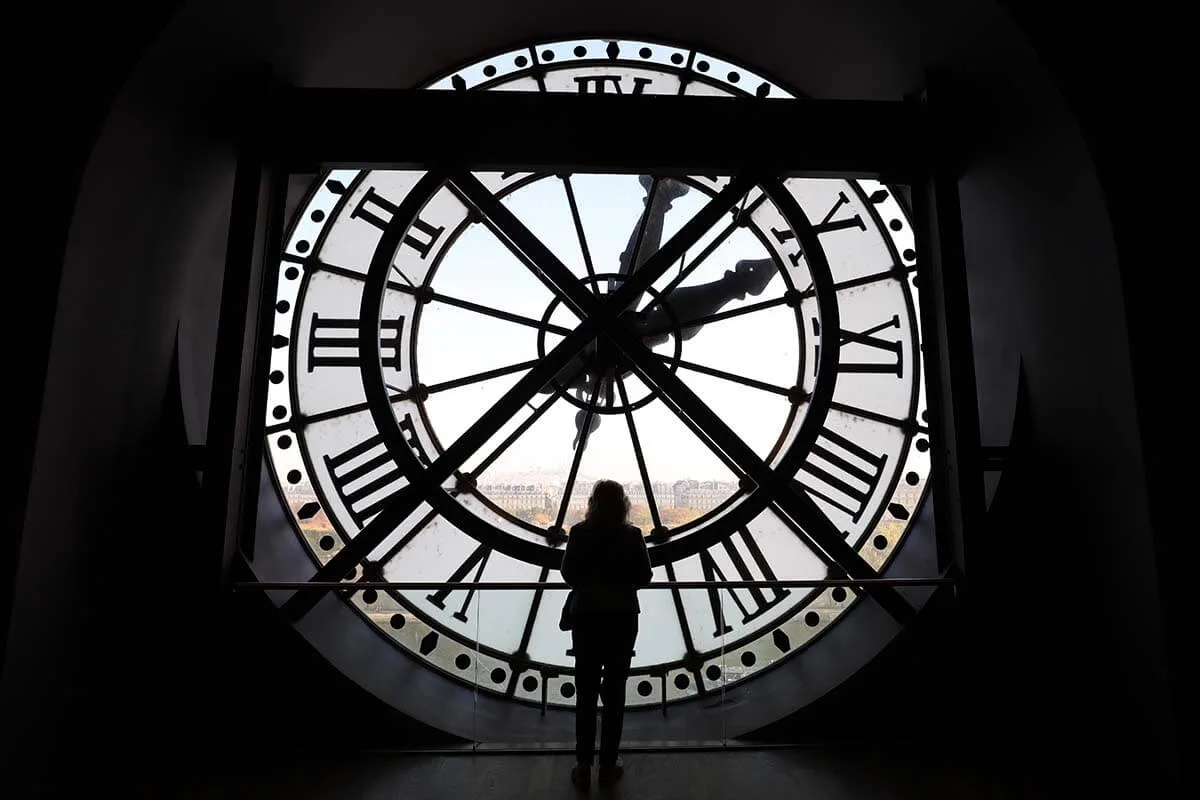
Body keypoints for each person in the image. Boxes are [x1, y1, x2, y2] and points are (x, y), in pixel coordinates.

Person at [561, 479, 653, 790]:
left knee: (585, 692)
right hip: (622, 618)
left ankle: (583, 763)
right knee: (614, 693)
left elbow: (569, 575)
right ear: (624, 504)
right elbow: (644, 576)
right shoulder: (631, 535)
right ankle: (608, 764)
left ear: (592, 503)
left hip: (586, 617)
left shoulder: (579, 533)